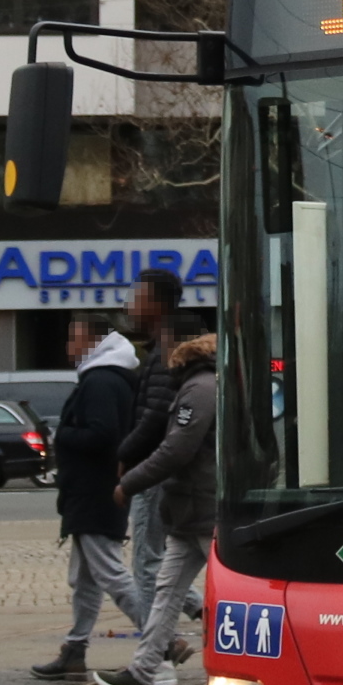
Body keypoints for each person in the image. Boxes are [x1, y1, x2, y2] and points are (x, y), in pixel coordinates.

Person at [95, 332, 216, 685]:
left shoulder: (198, 390)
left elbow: (176, 448)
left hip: (202, 507)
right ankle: (144, 670)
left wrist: (129, 482)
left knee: (223, 592)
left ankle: (148, 670)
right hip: (191, 509)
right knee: (167, 591)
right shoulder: (205, 385)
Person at [30, 313, 143, 681]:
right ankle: (74, 649)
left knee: (110, 573)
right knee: (84, 579)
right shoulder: (112, 377)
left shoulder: (100, 381)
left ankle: (163, 638)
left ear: (93, 340)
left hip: (94, 493)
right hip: (94, 491)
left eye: (73, 337)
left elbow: (103, 435)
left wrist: (62, 435)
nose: (68, 346)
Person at [113, 266, 189, 653]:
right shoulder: (166, 343)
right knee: (173, 560)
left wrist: (126, 456)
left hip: (155, 470)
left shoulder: (167, 348)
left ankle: (155, 661)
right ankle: (163, 649)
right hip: (165, 468)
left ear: (156, 304)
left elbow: (156, 415)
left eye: (136, 297)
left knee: (147, 564)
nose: (130, 305)